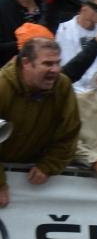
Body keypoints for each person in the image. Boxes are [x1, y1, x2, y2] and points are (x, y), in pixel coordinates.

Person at [0, 37, 79, 209]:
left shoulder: (62, 86)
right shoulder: (2, 85)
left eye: (58, 63)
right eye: (47, 64)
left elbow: (70, 132)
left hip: (28, 177)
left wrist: (49, 165)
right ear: (26, 63)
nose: (55, 70)